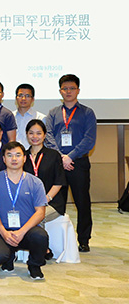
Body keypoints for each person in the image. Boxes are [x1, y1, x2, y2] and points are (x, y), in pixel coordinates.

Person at [44, 74, 96, 253]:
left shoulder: (87, 113)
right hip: (57, 163)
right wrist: (61, 157)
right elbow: (48, 136)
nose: (68, 91)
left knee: (82, 202)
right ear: (60, 91)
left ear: (78, 90)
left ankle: (84, 239)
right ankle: (55, 240)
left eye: (72, 88)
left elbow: (89, 139)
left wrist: (70, 157)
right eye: (65, 89)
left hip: (78, 163)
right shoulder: (53, 112)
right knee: (57, 203)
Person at [0, 142, 49, 280]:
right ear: (3, 159)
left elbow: (40, 212)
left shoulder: (35, 182)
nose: (14, 159)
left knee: (41, 236)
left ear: (24, 158)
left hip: (28, 231)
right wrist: (4, 232)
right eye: (9, 155)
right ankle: (9, 257)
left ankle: (34, 265)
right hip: (4, 230)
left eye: (18, 155)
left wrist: (21, 232)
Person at [25, 119, 67, 223]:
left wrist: (45, 199)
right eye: (31, 133)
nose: (35, 136)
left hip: (51, 202)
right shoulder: (23, 156)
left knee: (35, 218)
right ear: (26, 134)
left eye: (39, 133)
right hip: (28, 202)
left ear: (44, 135)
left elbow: (59, 182)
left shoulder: (53, 155)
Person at [13, 83, 46, 149]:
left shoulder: (40, 118)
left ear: (33, 99)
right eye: (20, 95)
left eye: (27, 96)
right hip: (14, 153)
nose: (23, 98)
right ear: (16, 98)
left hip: (33, 153)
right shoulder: (10, 117)